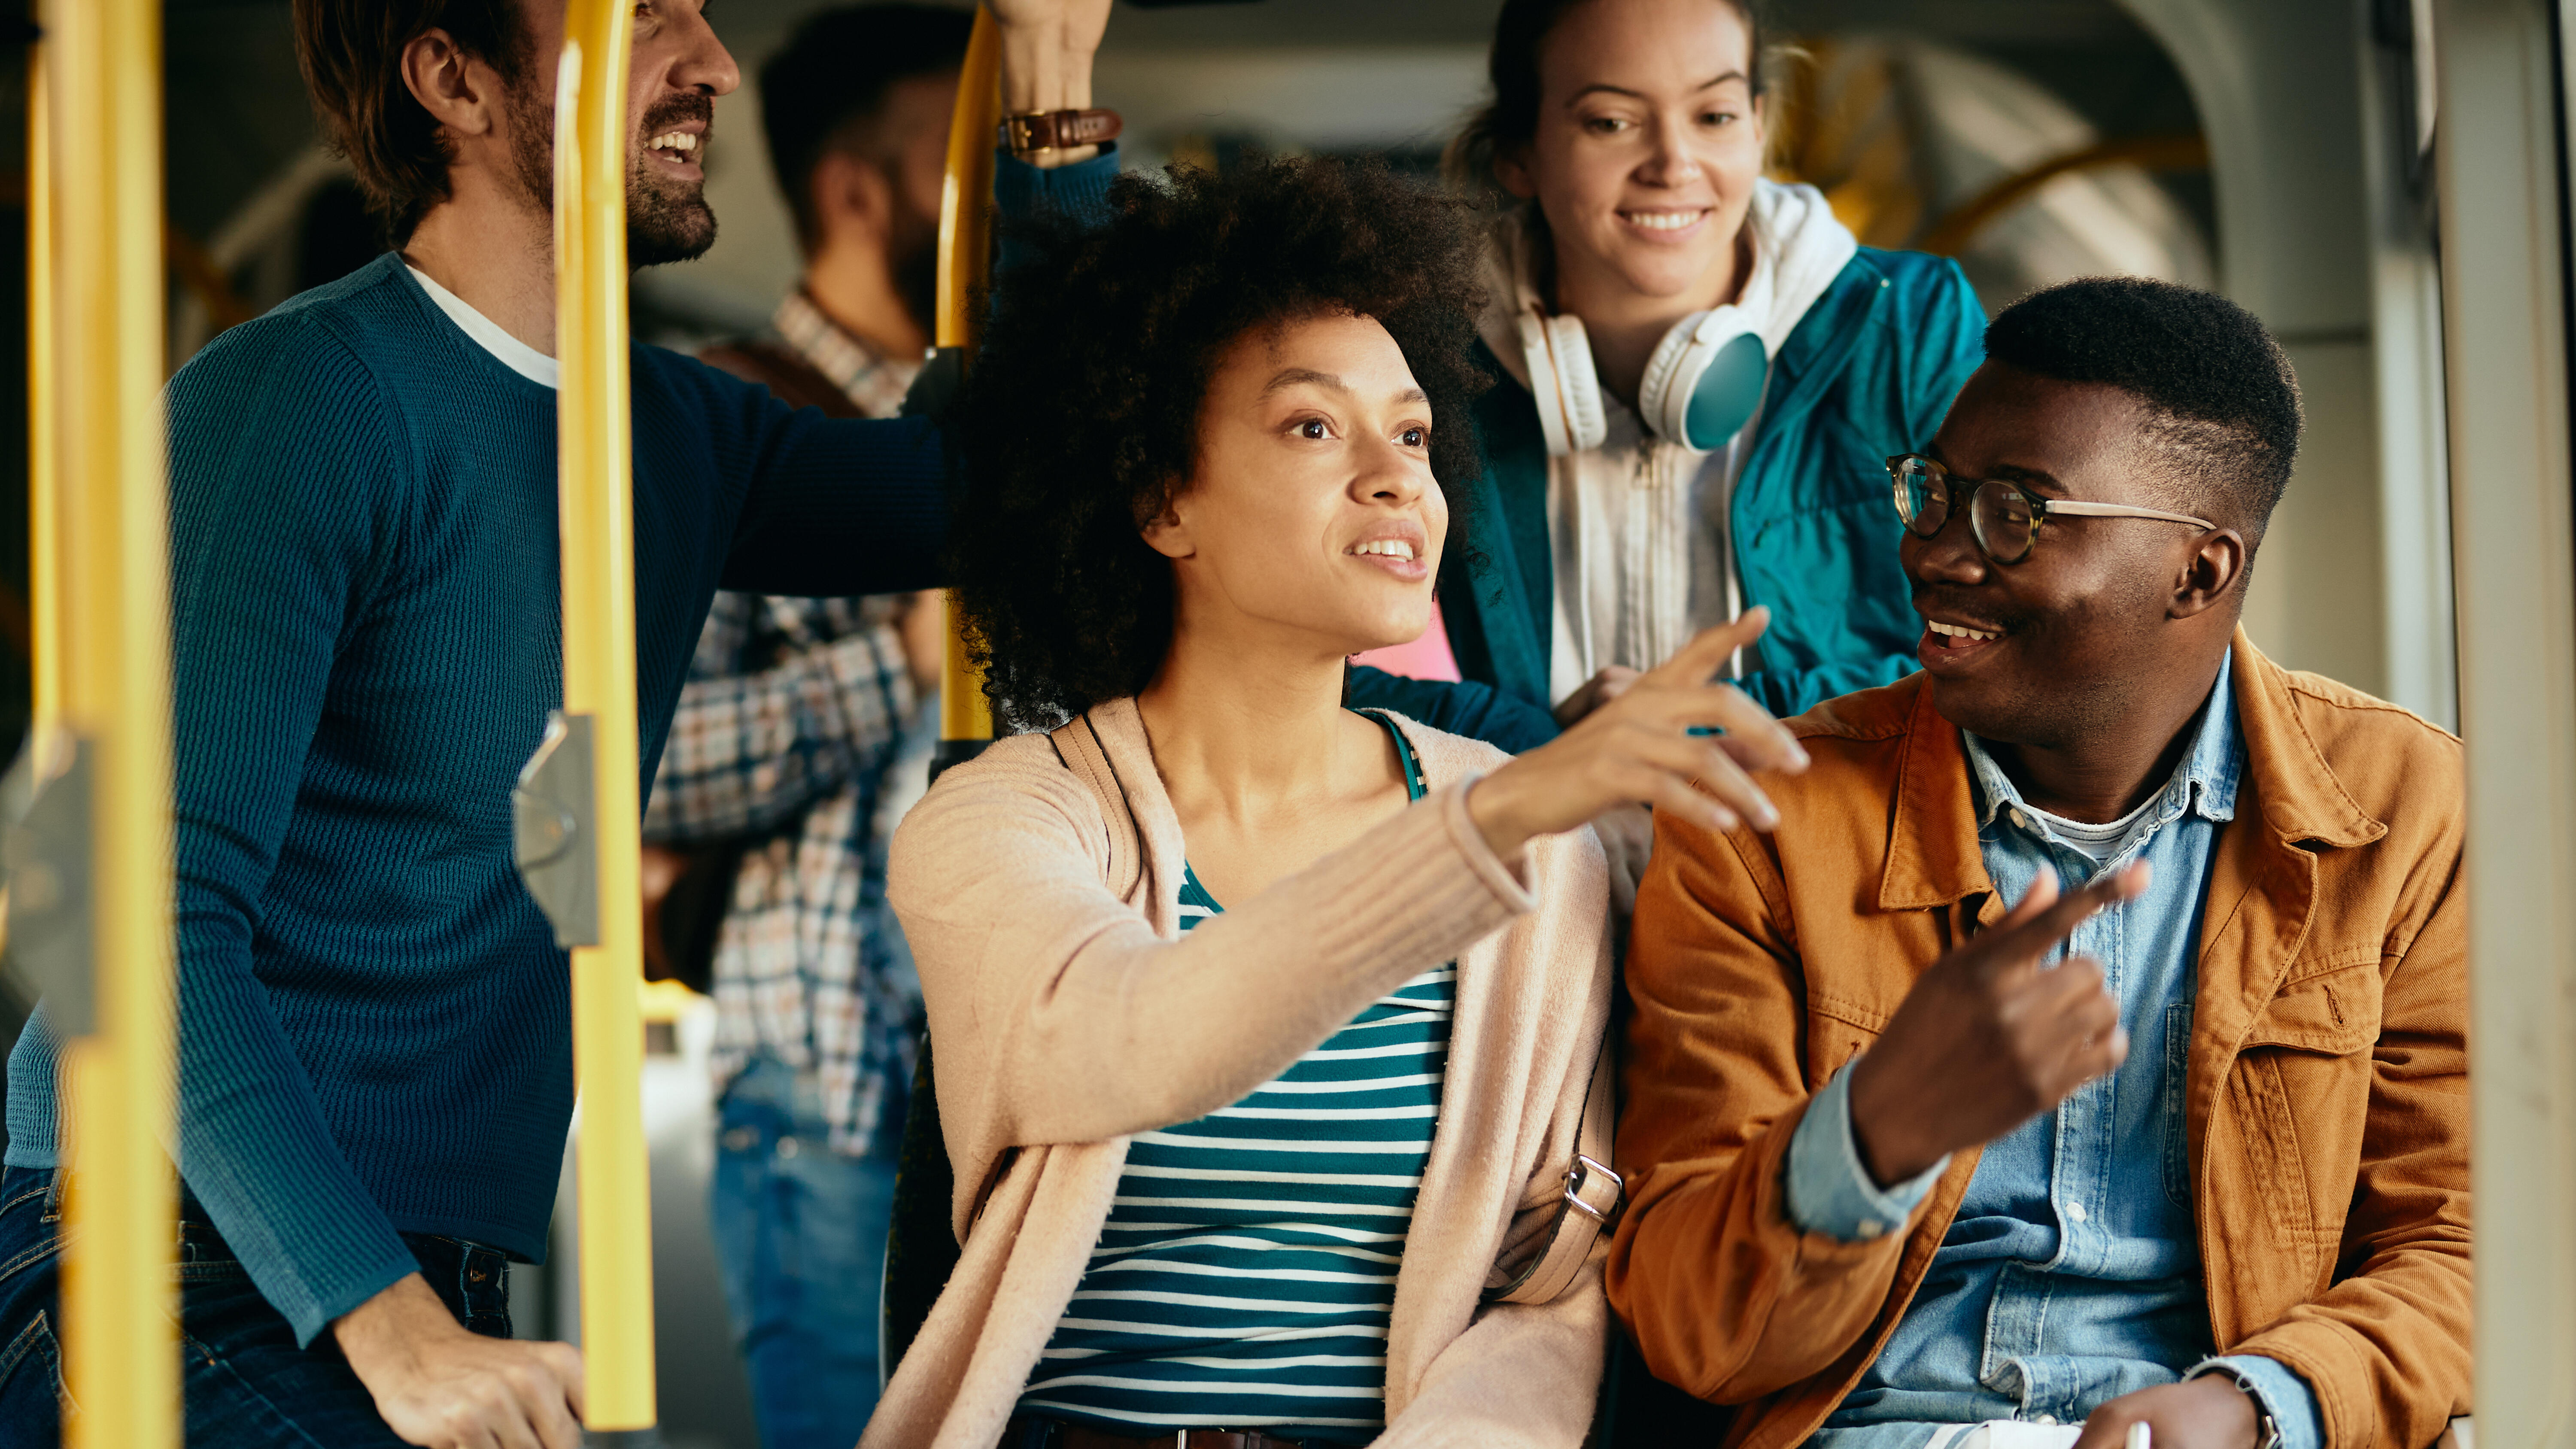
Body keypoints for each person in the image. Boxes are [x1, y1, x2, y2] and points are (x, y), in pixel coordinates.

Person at [0, 2, 1117, 1446]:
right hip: (163, 1253)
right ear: (452, 80)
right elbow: (131, 909)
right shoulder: (294, 401)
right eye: (643, 16)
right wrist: (392, 1328)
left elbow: (1016, 484)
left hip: (413, 1272)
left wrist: (1049, 79)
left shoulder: (676, 432)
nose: (710, 62)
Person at [867, 155, 1810, 1448]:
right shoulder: (1001, 823)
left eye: (1413, 434)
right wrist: (1494, 828)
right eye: (1316, 427)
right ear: (1161, 499)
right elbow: (1131, 1044)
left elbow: (1553, 1288)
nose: (1395, 479)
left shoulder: (1545, 852)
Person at [1610, 278, 2469, 1449]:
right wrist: (1875, 1134)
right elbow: (1689, 1330)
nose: (1935, 552)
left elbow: (2459, 1248)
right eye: (1934, 492)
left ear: (2200, 571)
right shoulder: (1757, 815)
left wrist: (2258, 1407)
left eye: (2017, 512)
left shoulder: (2407, 811)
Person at [637, 8, 966, 1445]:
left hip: (1024, 1086)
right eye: (959, 162)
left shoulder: (1009, 439)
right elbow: (633, 764)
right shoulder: (715, 414)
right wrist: (894, 658)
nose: (996, 210)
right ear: (852, 189)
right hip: (828, 1082)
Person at [1351, 0, 1985, 733]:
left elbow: (2009, 636)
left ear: (1757, 126)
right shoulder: (1422, 355)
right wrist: (1529, 744)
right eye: (1611, 122)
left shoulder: (1909, 324)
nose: (1674, 165)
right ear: (1520, 154)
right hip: (1546, 839)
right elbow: (1261, 654)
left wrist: (1702, 723)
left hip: (1833, 837)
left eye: (1713, 116)